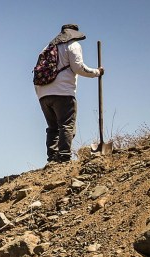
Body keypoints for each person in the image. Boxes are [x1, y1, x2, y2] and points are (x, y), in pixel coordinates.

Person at [34, 24, 104, 164]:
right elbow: (78, 68)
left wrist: (40, 95)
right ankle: (64, 157)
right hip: (63, 92)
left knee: (53, 127)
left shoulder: (47, 48)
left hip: (43, 94)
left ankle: (52, 157)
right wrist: (97, 72)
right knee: (66, 125)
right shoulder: (73, 45)